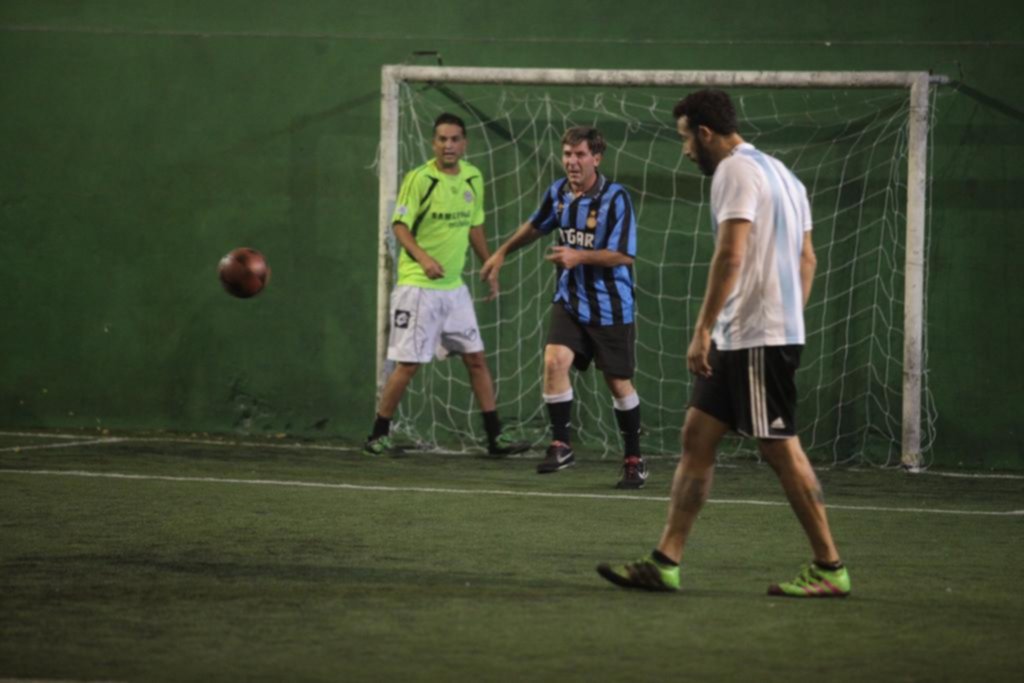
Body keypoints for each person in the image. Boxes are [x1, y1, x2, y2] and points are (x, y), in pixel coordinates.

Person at [597, 89, 851, 597]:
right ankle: (666, 560)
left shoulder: (734, 171)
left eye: (686, 138)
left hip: (756, 335)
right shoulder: (785, 174)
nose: (685, 150)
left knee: (779, 448)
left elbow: (730, 255)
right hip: (756, 333)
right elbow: (808, 261)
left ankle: (829, 567)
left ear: (705, 133)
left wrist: (703, 329)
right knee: (697, 436)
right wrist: (789, 317)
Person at [481, 126, 645, 489]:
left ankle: (634, 458)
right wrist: (502, 252)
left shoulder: (616, 199)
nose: (572, 162)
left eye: (580, 155)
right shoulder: (557, 193)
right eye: (567, 154)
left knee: (618, 384)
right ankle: (561, 444)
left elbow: (624, 254)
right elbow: (536, 226)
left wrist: (579, 255)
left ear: (596, 158)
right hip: (569, 299)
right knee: (554, 360)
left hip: (611, 307)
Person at [365, 113, 529, 458]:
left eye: (454, 139)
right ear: (433, 143)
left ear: (464, 143)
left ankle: (495, 437)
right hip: (418, 288)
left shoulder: (472, 177)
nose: (448, 145)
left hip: (455, 291)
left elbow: (474, 225)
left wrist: (489, 262)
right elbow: (400, 225)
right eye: (442, 139)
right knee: (408, 365)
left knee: (477, 360)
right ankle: (378, 433)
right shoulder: (421, 179)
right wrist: (423, 258)